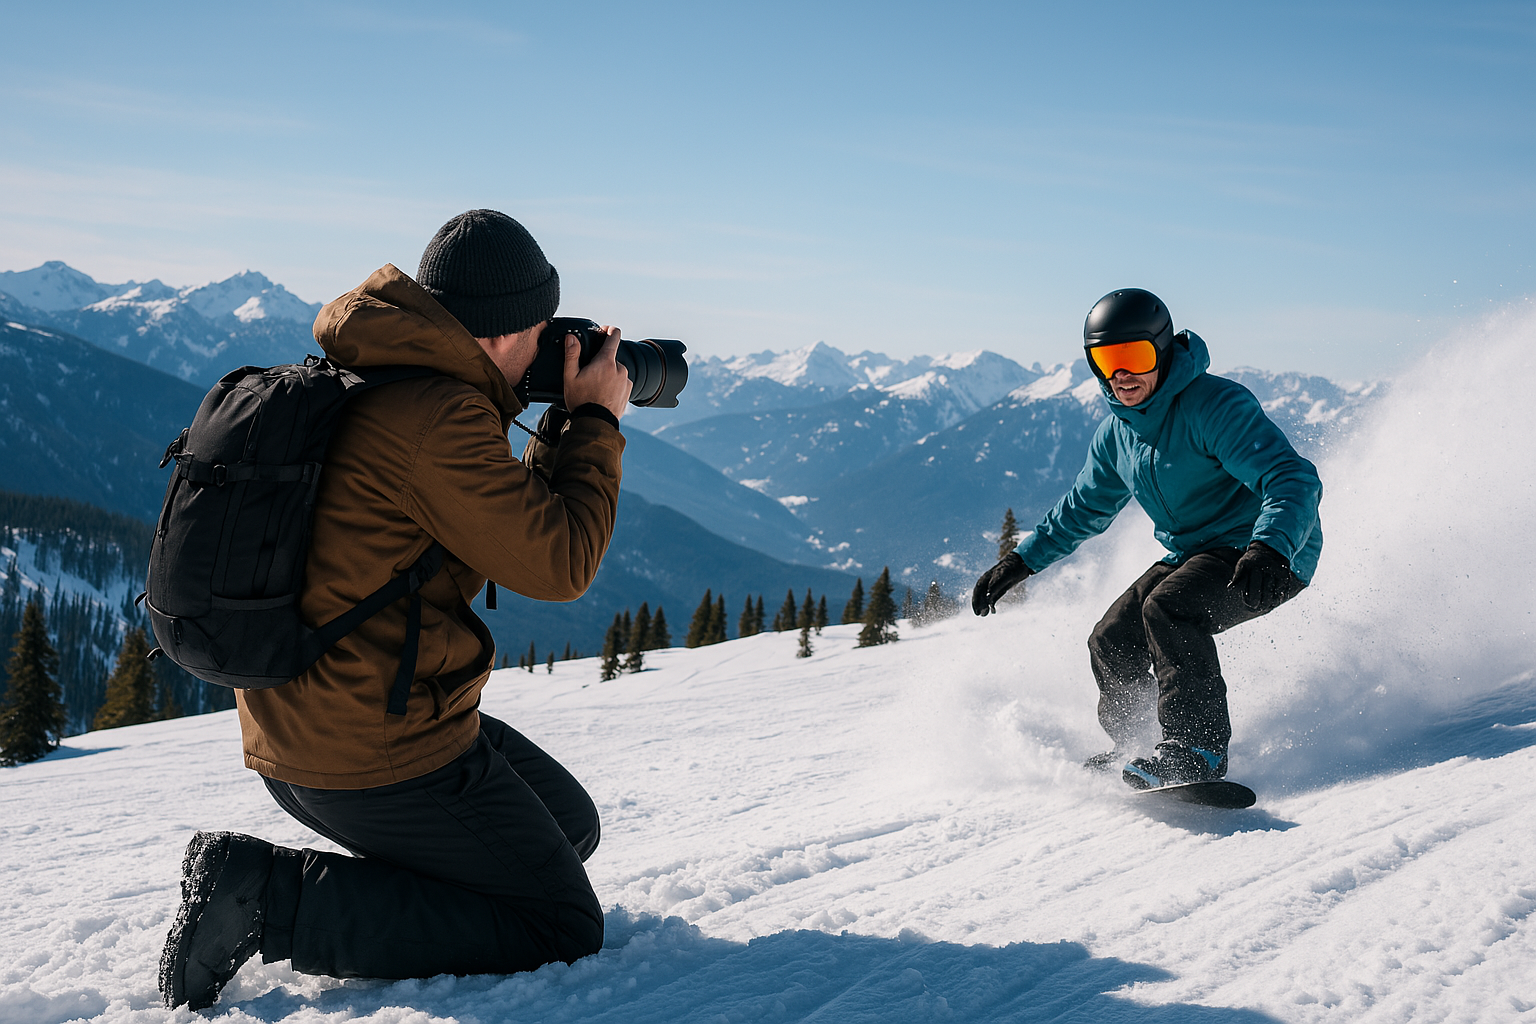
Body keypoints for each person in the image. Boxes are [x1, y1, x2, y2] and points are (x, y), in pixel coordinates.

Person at [159, 210, 632, 1010]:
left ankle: (397, 892)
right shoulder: (436, 419)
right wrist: (596, 421)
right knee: (558, 923)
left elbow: (499, 521)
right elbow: (559, 563)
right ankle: (266, 897)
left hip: (305, 722)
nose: (551, 343)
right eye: (541, 328)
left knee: (566, 827)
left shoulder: (380, 374)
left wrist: (559, 419)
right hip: (372, 752)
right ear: (501, 330)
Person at [971, 288, 1321, 789]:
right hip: (1194, 551)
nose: (1121, 375)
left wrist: (1271, 546)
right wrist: (1021, 561)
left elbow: (1292, 478)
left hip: (1267, 553)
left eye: (1134, 357)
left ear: (1162, 351)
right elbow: (1084, 507)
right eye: (1106, 361)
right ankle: (1135, 743)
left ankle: (1196, 749)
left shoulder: (1214, 406)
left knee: (1169, 608)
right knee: (1112, 637)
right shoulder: (1117, 433)